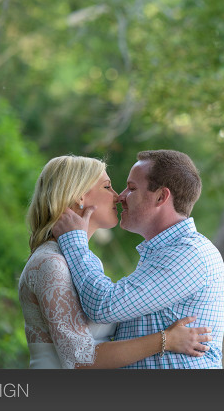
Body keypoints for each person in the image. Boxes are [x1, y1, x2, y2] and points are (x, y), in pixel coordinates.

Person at [20, 155, 212, 368]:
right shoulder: (51, 262)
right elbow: (80, 359)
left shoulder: (85, 261)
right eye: (108, 186)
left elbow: (107, 311)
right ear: (79, 196)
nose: (118, 196)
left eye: (129, 188)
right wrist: (166, 340)